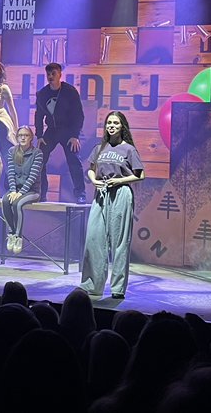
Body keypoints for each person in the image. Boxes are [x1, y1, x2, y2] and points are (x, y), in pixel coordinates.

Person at [80, 111, 144, 299]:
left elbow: (140, 175)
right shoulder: (100, 147)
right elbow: (91, 169)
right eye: (109, 122)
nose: (111, 126)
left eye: (115, 123)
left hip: (121, 193)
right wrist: (94, 180)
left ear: (122, 126)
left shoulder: (129, 149)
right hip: (101, 194)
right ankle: (92, 285)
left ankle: (117, 289)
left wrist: (120, 180)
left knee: (119, 242)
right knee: (93, 239)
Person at [35, 63, 86, 203]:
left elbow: (78, 115)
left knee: (73, 160)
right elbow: (38, 115)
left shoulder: (69, 91)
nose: (50, 76)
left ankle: (80, 193)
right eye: (48, 74)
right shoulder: (43, 93)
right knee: (39, 159)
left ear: (60, 75)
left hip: (68, 130)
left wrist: (75, 135)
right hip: (51, 130)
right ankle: (41, 193)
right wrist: (39, 136)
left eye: (53, 74)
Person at [2, 126, 43, 254]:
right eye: (20, 135)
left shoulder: (37, 153)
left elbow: (33, 176)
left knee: (17, 203)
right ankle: (11, 233)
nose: (23, 138)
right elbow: (10, 173)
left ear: (31, 137)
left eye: (26, 135)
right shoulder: (12, 151)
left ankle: (18, 237)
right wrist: (13, 191)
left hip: (32, 191)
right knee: (5, 200)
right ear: (17, 137)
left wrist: (20, 193)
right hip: (16, 189)